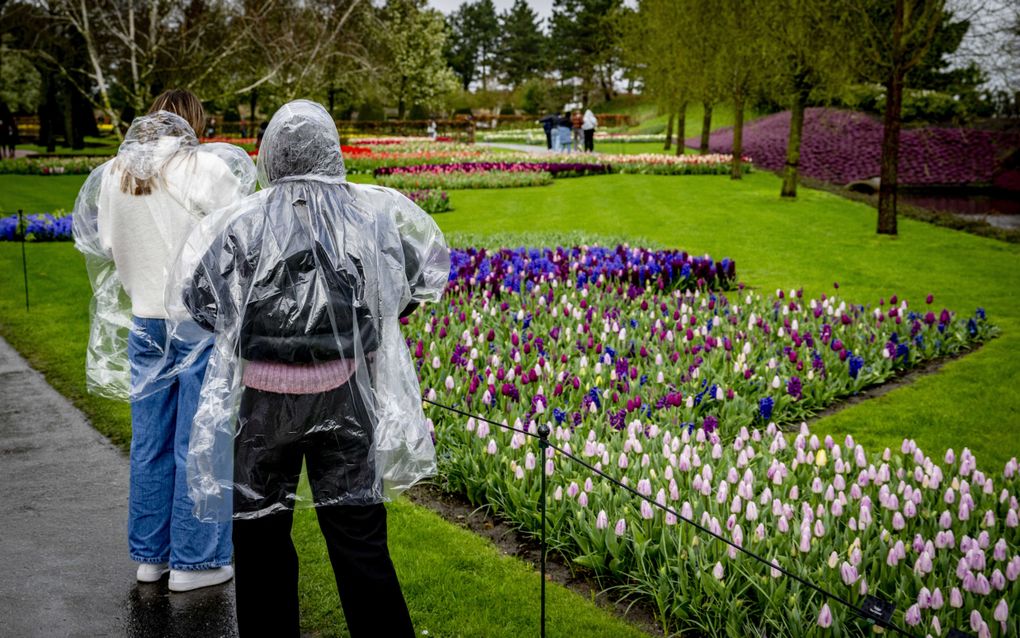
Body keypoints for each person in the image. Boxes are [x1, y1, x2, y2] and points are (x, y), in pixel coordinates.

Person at [169, 100, 449, 637]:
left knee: (261, 536)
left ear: (271, 154)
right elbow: (412, 283)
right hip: (346, 394)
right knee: (359, 537)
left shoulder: (242, 222)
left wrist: (256, 333)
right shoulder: (370, 215)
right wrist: (361, 328)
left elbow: (201, 300)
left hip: (263, 403)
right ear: (331, 149)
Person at [71, 89, 256, 592]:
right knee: (200, 444)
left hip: (146, 321)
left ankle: (151, 557)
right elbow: (240, 238)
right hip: (197, 321)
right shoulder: (204, 169)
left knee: (150, 443)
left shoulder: (116, 173)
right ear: (193, 122)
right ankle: (196, 562)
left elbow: (105, 243)